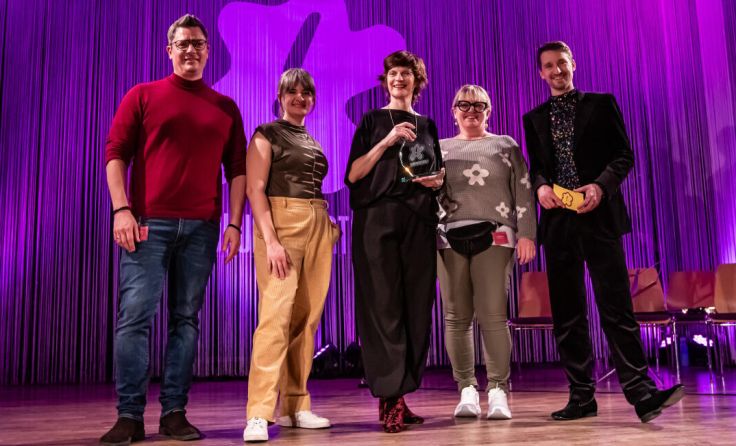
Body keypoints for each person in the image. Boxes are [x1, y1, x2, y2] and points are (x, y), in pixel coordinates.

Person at [101, 14, 247, 445]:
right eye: (182, 43)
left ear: (208, 51)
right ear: (169, 50)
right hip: (147, 224)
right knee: (135, 318)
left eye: (198, 43)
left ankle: (174, 413)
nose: (190, 50)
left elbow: (237, 170)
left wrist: (234, 222)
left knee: (186, 321)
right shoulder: (142, 95)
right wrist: (121, 210)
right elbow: (115, 153)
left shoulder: (225, 107)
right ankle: (130, 416)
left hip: (202, 228)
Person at [522, 41, 684, 423]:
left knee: (616, 307)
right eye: (549, 66)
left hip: (599, 217)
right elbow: (537, 167)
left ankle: (641, 393)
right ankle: (581, 397)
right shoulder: (533, 118)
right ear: (541, 73)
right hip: (559, 222)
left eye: (562, 63)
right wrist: (540, 187)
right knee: (568, 313)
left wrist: (600, 186)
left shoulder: (601, 104)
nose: (557, 71)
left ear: (573, 64)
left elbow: (624, 155)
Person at [345, 50, 445, 433]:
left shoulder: (428, 125)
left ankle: (401, 393)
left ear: (416, 82)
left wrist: (436, 181)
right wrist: (386, 141)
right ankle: (390, 398)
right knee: (383, 307)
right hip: (378, 221)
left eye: (405, 73)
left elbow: (435, 174)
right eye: (393, 73)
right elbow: (354, 174)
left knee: (416, 308)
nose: (398, 78)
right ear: (385, 80)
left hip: (418, 221)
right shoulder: (372, 121)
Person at [243, 68, 338, 443]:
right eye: (292, 92)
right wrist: (271, 240)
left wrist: (326, 222)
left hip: (317, 224)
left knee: (306, 320)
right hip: (282, 225)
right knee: (275, 319)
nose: (300, 97)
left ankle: (295, 406)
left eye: (306, 92)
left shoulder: (310, 138)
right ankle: (258, 412)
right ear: (280, 97)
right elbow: (255, 189)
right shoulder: (266, 133)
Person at [437, 84, 536, 420]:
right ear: (453, 111)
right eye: (463, 105)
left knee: (493, 313)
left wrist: (527, 234)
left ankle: (497, 389)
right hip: (448, 237)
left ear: (489, 111)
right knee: (456, 316)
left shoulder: (505, 145)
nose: (471, 111)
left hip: (495, 235)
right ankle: (466, 388)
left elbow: (523, 190)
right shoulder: (439, 148)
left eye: (479, 105)